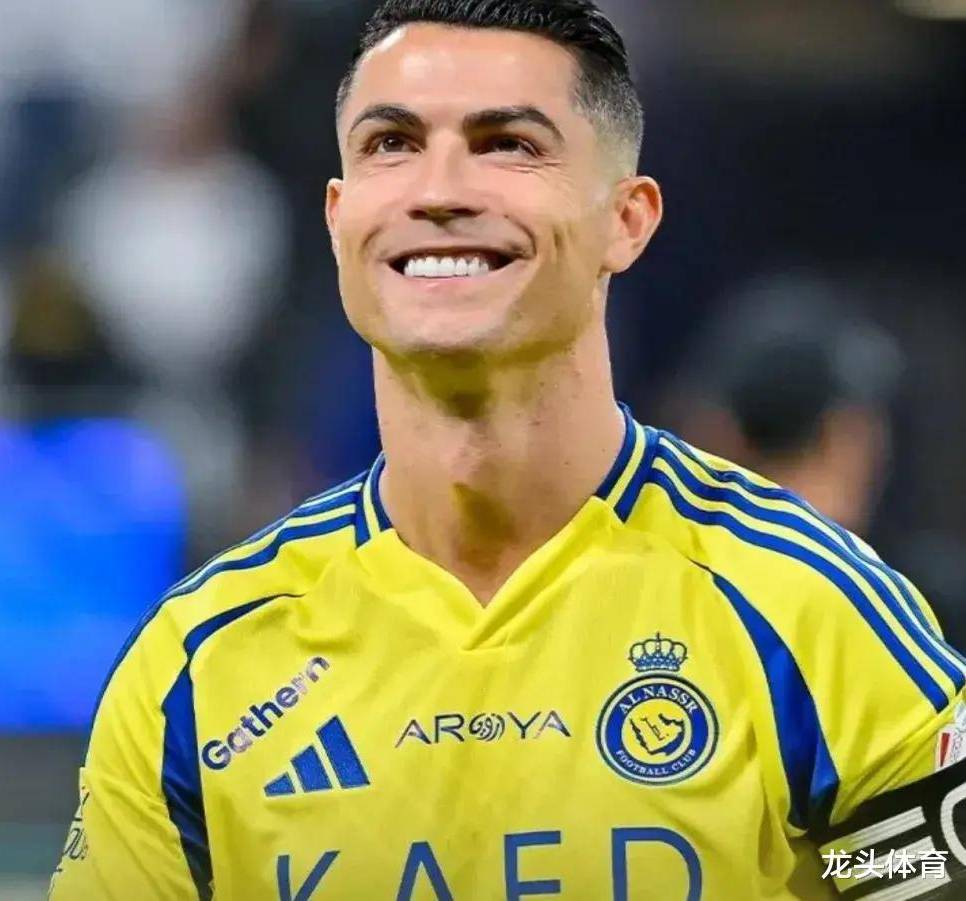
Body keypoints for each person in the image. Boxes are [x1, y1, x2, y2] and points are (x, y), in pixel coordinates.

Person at [50, 2, 966, 898]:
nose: (439, 190)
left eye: (508, 144)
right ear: (338, 217)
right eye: (391, 144)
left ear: (628, 220)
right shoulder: (200, 665)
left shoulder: (806, 614)